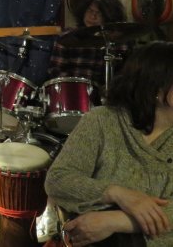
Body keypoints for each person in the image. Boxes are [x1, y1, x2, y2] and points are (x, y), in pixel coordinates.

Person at [44, 41, 173, 246]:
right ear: (157, 89)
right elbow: (58, 180)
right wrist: (118, 194)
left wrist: (115, 221)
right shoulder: (103, 120)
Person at [48, 0, 130, 85]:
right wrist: (75, 85)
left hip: (107, 91)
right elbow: (55, 70)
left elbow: (126, 75)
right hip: (74, 90)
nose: (92, 16)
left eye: (98, 13)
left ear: (109, 16)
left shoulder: (119, 42)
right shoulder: (67, 37)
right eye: (90, 11)